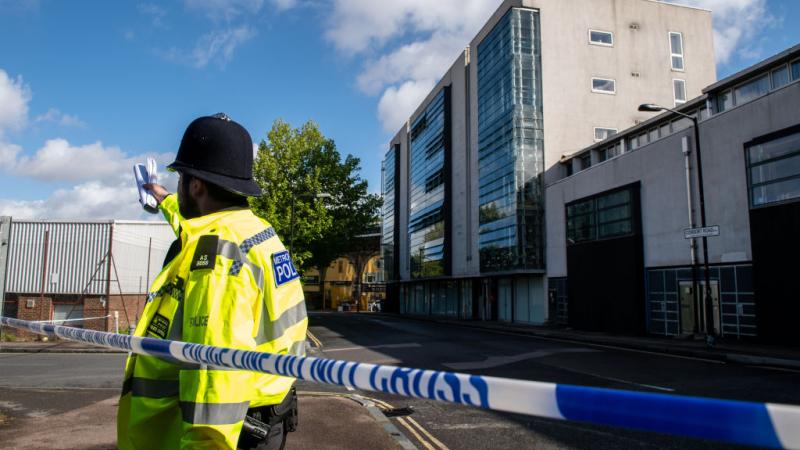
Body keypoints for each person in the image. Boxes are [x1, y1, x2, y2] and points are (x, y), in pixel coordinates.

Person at [117, 113, 308, 450]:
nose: (178, 186)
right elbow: (191, 223)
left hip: (225, 434)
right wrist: (162, 197)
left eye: (181, 179)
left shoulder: (218, 256)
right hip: (265, 417)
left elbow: (214, 374)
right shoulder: (253, 231)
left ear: (196, 186)